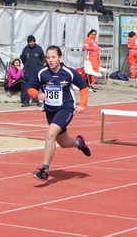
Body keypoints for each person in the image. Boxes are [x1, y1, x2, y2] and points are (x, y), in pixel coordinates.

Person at [26, 45, 91, 182]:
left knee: (50, 134)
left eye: (53, 57)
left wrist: (82, 105)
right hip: (50, 111)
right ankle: (80, 144)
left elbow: (84, 87)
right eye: (48, 57)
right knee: (64, 143)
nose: (50, 60)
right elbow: (30, 87)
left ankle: (44, 170)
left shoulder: (69, 72)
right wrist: (37, 95)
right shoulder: (41, 72)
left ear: (60, 58)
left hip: (65, 109)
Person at [20, 35, 44, 107]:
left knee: (37, 86)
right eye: (30, 42)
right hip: (28, 71)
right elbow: (23, 60)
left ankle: (39, 101)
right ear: (28, 42)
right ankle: (26, 101)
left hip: (36, 72)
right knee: (27, 86)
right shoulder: (25, 50)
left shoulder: (39, 49)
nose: (32, 43)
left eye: (33, 41)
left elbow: (42, 59)